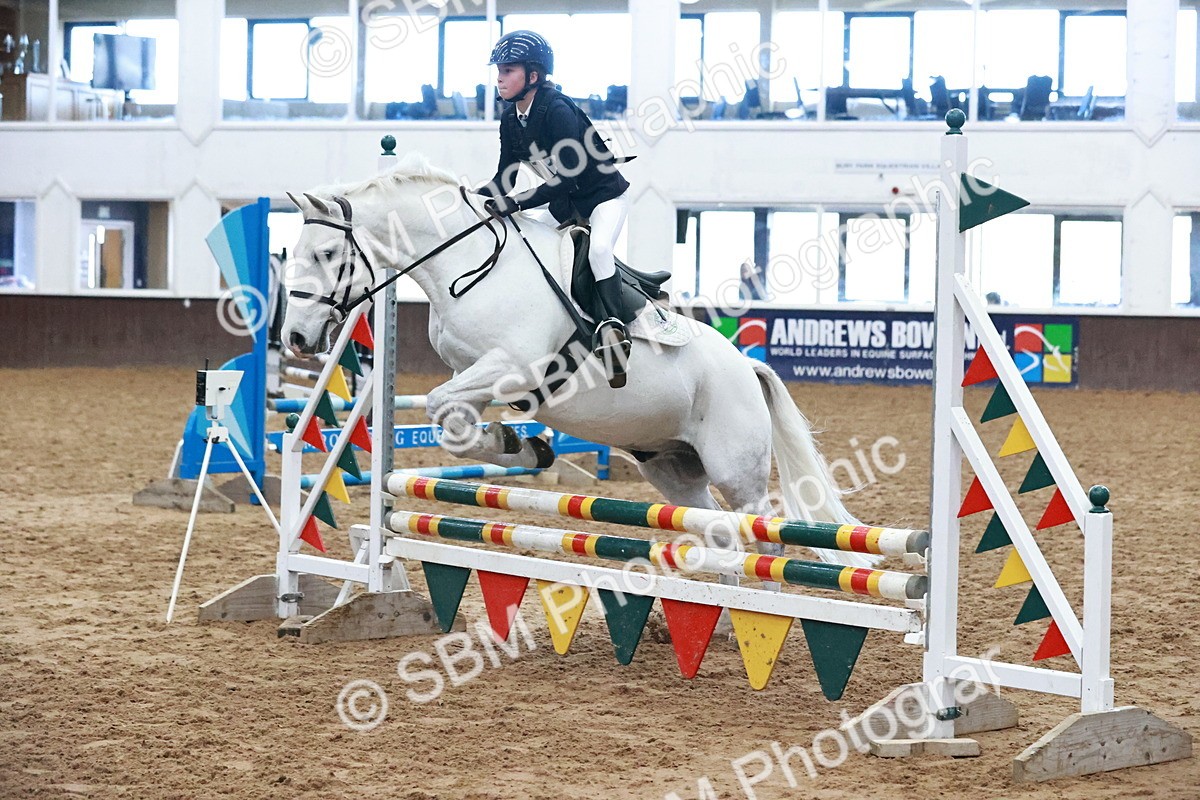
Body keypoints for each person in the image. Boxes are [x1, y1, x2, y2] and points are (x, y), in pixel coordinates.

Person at [476, 30, 636, 382]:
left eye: (508, 70)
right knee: (523, 243)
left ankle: (614, 332)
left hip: (602, 199)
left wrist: (515, 203)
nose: (499, 77)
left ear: (533, 76)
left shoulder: (558, 111)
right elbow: (505, 177)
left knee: (598, 251)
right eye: (498, 70)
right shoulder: (510, 119)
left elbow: (566, 178)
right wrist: (473, 200)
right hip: (564, 206)